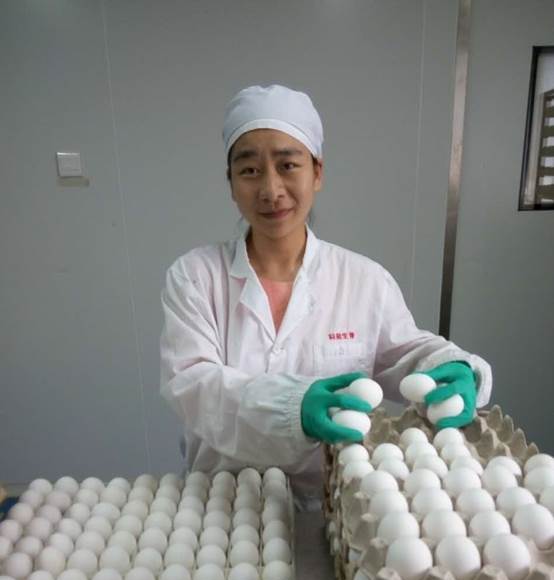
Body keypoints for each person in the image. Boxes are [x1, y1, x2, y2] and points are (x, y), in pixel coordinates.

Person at [160, 84, 492, 507]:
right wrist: (292, 407)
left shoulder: (364, 280)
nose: (271, 189)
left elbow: (406, 354)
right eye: (250, 170)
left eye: (288, 165)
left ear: (317, 172)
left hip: (332, 512)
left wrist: (452, 367)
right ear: (231, 182)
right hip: (223, 507)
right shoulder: (195, 277)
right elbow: (193, 388)